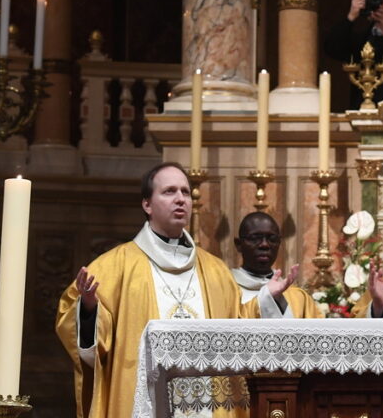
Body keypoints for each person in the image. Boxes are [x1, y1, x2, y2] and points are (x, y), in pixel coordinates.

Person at [55, 162, 298, 418]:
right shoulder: (112, 268)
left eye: (185, 192)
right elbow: (86, 345)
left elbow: (236, 328)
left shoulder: (215, 271)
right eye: (169, 191)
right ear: (147, 204)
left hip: (208, 406)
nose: (180, 199)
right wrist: (90, 309)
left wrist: (266, 300)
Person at [232, 211, 321, 318]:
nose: (264, 245)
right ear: (238, 244)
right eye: (255, 238)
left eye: (272, 239)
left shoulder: (299, 298)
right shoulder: (226, 290)